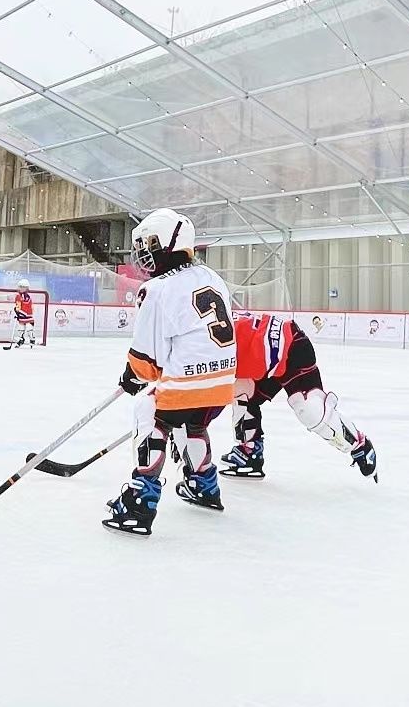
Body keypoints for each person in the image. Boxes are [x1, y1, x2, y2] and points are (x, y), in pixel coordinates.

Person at [103, 209, 236, 536]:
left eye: (149, 243)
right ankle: (204, 484)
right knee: (192, 424)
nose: (143, 251)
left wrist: (132, 375)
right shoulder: (212, 277)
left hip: (186, 384)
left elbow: (146, 360)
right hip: (222, 386)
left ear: (170, 242)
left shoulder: (157, 289)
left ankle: (140, 501)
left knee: (149, 410)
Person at [219, 310, 377, 481]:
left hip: (291, 346)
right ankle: (250, 452)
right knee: (242, 395)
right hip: (263, 360)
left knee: (310, 410)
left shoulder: (203, 338)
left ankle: (360, 444)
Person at [7, 278, 38, 350]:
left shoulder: (28, 297)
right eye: (19, 286)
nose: (20, 288)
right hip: (22, 316)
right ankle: (21, 339)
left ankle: (32, 339)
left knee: (29, 329)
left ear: (26, 288)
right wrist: (17, 312)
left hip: (28, 316)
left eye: (22, 287)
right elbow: (18, 306)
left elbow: (28, 305)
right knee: (21, 328)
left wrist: (20, 312)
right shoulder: (18, 296)